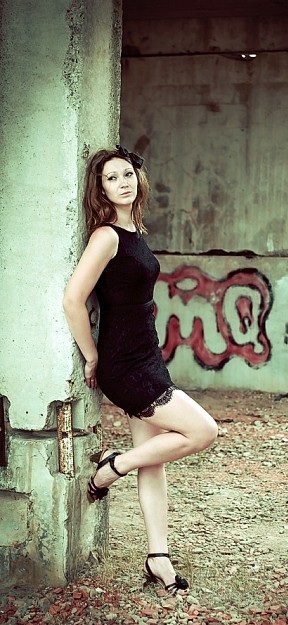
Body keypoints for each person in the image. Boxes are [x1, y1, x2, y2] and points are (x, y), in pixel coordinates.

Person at [63, 145, 218, 596]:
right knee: (203, 431)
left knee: (155, 461)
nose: (122, 183)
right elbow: (73, 300)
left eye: (127, 174)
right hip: (124, 365)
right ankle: (111, 468)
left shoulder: (134, 230)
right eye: (111, 178)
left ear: (138, 178)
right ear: (100, 190)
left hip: (146, 356)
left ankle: (158, 559)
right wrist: (92, 357)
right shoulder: (106, 237)